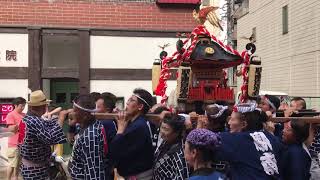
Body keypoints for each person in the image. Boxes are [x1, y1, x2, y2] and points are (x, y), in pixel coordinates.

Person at [216, 103, 283, 180]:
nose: (229, 123)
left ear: (244, 124)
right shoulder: (272, 137)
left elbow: (204, 139)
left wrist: (200, 126)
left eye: (232, 119)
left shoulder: (237, 139)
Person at [20, 90, 67, 179]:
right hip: (35, 170)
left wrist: (59, 118)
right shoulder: (34, 121)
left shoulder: (27, 119)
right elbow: (50, 138)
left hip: (29, 167)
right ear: (43, 106)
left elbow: (46, 125)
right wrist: (60, 119)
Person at [110, 88, 154, 179]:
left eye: (131, 100)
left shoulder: (139, 126)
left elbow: (114, 150)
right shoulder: (134, 123)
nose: (127, 103)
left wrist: (121, 128)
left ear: (140, 107)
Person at [68, 94, 109, 179]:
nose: (72, 113)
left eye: (75, 111)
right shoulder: (86, 126)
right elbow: (73, 143)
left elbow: (93, 173)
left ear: (85, 115)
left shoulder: (90, 137)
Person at [153, 114, 189, 180]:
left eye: (166, 129)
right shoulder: (166, 141)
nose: (162, 132)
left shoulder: (180, 153)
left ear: (176, 133)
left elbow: (182, 177)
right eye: (162, 127)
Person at [95, 92, 118, 179]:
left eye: (98, 107)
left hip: (104, 165)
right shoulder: (106, 122)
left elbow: (113, 145)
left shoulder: (107, 123)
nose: (95, 109)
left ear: (107, 109)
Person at [5, 97, 26, 180]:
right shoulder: (10, 115)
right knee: (11, 164)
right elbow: (10, 129)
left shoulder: (24, 115)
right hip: (13, 144)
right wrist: (20, 124)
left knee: (17, 165)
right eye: (21, 106)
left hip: (23, 143)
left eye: (24, 106)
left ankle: (16, 178)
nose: (23, 107)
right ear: (15, 105)